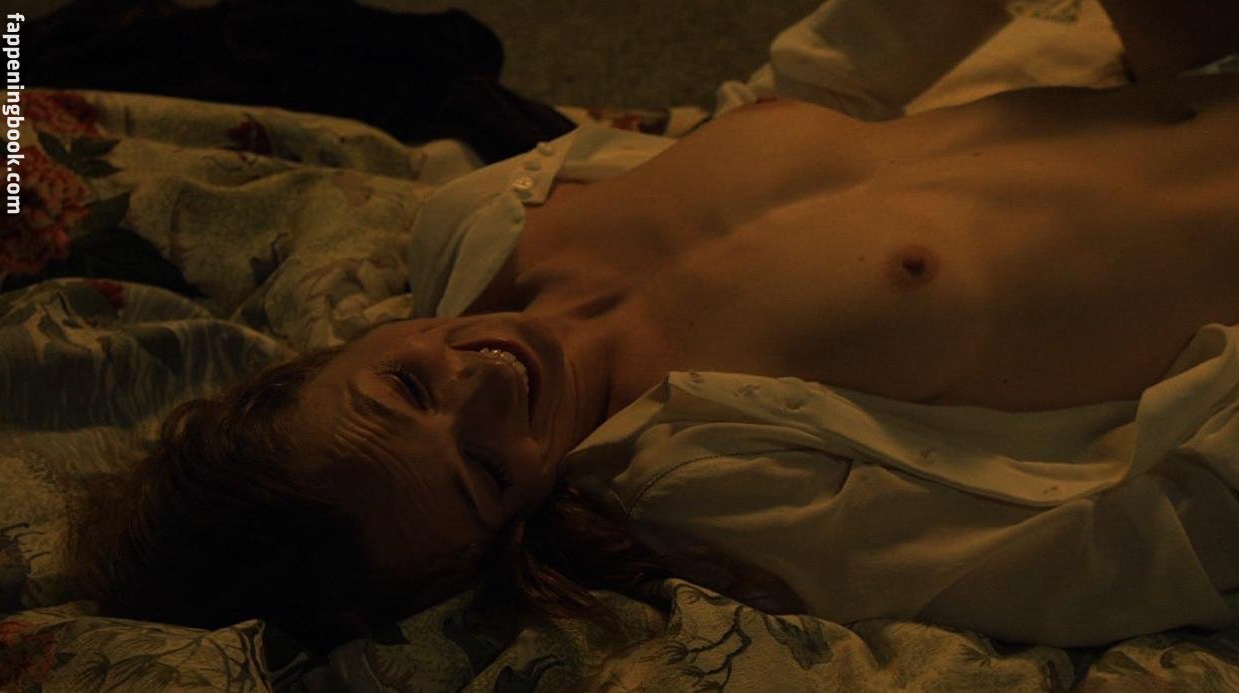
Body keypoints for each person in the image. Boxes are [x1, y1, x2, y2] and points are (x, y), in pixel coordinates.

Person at [71, 0, 1239, 652]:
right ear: (507, 532)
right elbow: (1131, 543)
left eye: (406, 390)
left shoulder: (484, 219)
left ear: (328, 358)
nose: (487, 388)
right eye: (484, 472)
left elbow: (801, 111)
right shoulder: (714, 483)